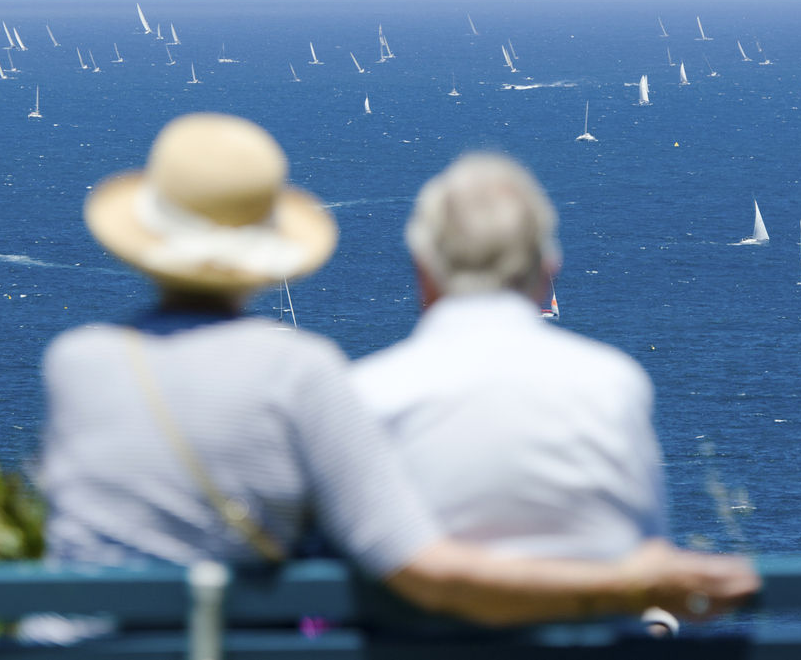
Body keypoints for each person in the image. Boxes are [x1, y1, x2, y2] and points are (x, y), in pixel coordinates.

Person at [40, 112, 758, 627]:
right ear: (547, 270)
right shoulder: (302, 370)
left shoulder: (73, 362)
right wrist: (627, 585)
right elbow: (419, 565)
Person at [349, 152, 704, 633]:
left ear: (423, 270)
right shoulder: (612, 383)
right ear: (547, 269)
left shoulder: (365, 393)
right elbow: (645, 550)